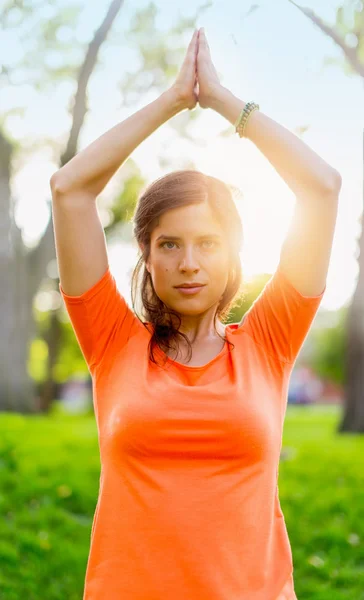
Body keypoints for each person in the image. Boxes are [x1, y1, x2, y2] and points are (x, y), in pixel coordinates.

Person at [50, 27, 341, 600]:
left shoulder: (270, 340)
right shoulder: (111, 341)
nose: (189, 263)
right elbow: (69, 190)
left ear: (235, 251)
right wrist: (173, 100)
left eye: (208, 243)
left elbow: (323, 189)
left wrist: (226, 101)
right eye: (170, 244)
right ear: (147, 255)